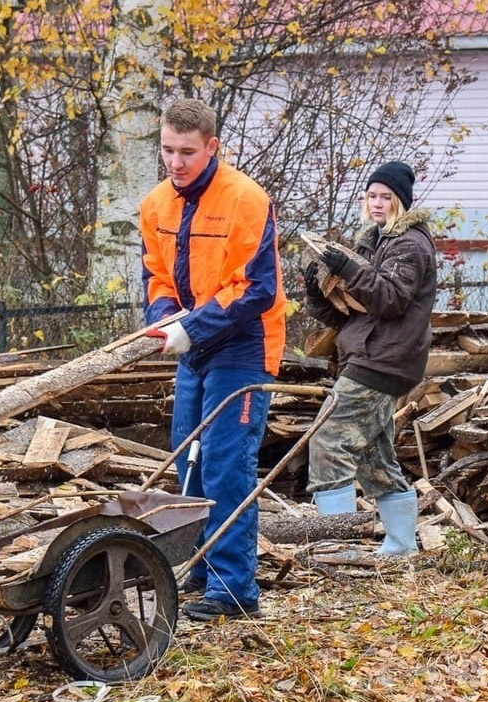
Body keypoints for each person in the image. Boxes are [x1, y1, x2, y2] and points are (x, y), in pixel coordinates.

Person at [140, 98, 286, 621]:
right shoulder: (157, 203)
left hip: (243, 344)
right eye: (167, 150)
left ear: (212, 148)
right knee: (188, 457)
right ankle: (199, 567)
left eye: (187, 152)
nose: (176, 163)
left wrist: (192, 327)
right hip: (192, 342)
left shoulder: (245, 199)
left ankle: (232, 589)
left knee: (226, 465)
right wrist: (164, 319)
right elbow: (156, 275)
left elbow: (256, 289)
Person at [303, 161, 437, 556]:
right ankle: (399, 547)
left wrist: (348, 267)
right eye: (372, 196)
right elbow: (348, 315)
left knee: (328, 444)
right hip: (374, 356)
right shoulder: (374, 242)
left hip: (381, 361)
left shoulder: (409, 245)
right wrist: (315, 290)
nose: (377, 204)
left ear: (401, 202)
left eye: (386, 197)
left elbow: (390, 300)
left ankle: (339, 550)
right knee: (373, 458)